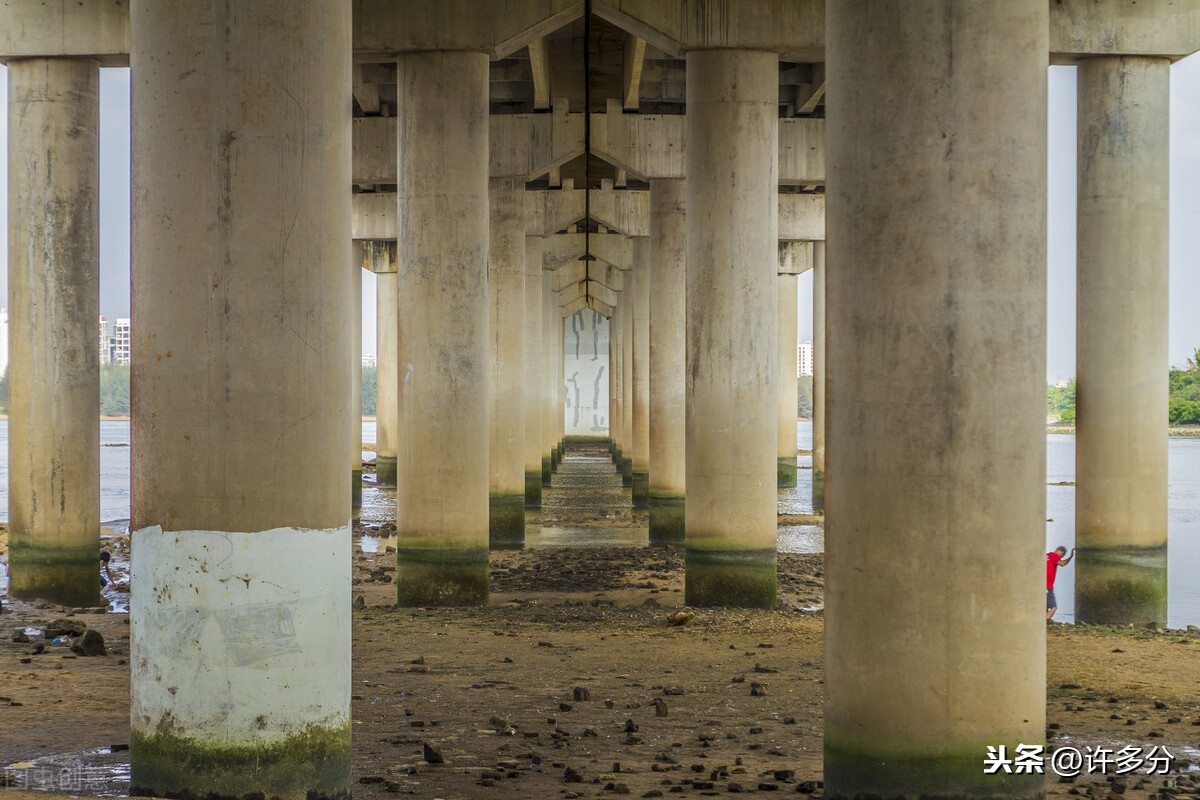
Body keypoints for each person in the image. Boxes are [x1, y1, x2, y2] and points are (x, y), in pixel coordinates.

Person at [1046, 545, 1075, 620]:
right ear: (1062, 553)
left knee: (1044, 606)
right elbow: (1062, 564)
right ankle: (1046, 622)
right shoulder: (1055, 556)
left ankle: (1042, 622)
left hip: (1039, 584)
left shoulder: (1047, 555)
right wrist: (1070, 557)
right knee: (1053, 607)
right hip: (1047, 585)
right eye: (1062, 556)